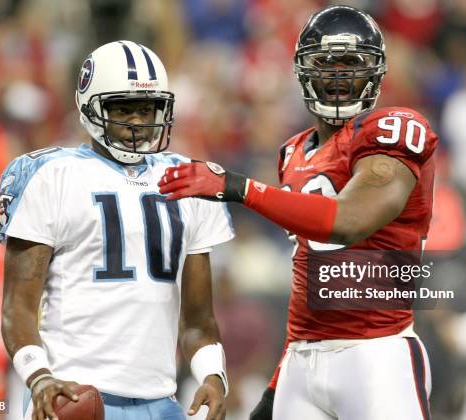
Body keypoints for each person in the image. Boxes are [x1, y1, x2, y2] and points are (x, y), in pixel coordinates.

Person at [158, 6, 437, 420]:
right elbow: (310, 274)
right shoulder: (293, 151)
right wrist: (277, 385)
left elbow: (349, 221)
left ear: (376, 73)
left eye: (352, 63)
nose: (338, 75)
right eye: (325, 63)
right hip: (302, 361)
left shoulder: (394, 128)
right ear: (304, 72)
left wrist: (239, 187)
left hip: (375, 354)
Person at [0, 40, 233, 420]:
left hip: (161, 400)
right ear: (91, 105)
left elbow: (198, 321)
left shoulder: (189, 178)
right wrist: (39, 377)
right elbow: (17, 308)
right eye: (123, 108)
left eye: (147, 109)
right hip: (72, 394)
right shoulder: (49, 176)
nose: (138, 122)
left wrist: (212, 375)